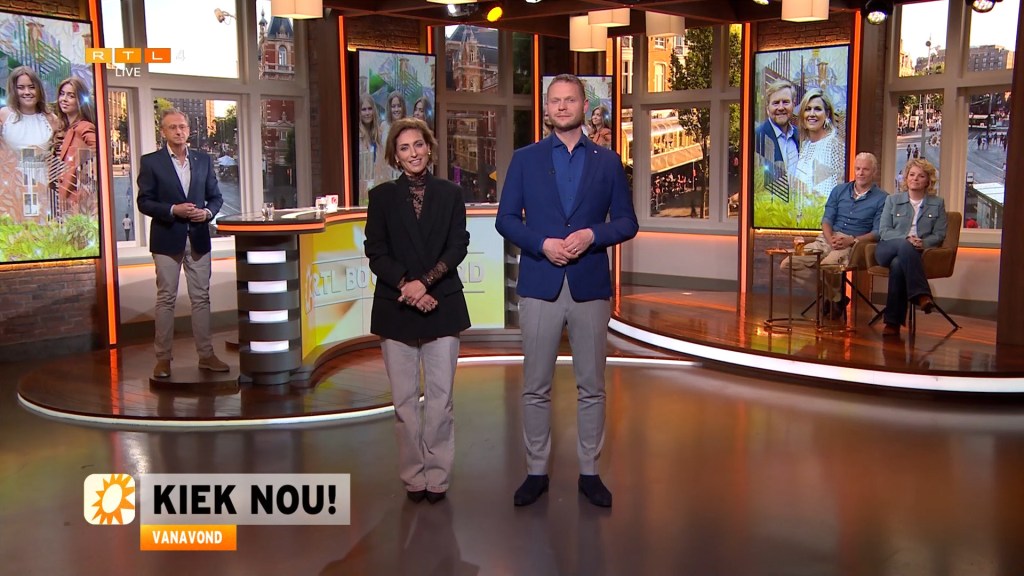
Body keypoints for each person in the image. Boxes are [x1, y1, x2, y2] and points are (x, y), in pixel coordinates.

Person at [496, 74, 638, 508]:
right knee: (535, 385)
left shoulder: (608, 161)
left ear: (583, 105)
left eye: (569, 99)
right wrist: (542, 244)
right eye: (555, 100)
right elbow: (506, 219)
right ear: (546, 108)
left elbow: (627, 222)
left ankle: (590, 472)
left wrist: (593, 235)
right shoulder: (525, 159)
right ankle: (536, 471)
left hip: (589, 285)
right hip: (540, 282)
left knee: (592, 385)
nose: (561, 106)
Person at [364, 117, 471, 504]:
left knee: (441, 401)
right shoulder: (381, 197)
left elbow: (457, 246)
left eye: (419, 145)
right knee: (405, 404)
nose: (413, 153)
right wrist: (408, 286)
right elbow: (376, 251)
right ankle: (414, 476)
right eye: (405, 148)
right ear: (395, 156)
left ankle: (438, 477)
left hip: (442, 303)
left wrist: (424, 283)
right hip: (397, 307)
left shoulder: (450, 193)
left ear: (430, 147)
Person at [137, 108, 228, 378]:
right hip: (167, 238)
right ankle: (163, 359)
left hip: (198, 237)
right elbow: (144, 202)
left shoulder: (203, 160)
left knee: (201, 298)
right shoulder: (151, 162)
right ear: (163, 132)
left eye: (183, 127)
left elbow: (216, 197)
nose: (179, 131)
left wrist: (207, 213)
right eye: (173, 127)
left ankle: (206, 355)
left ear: (189, 130)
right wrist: (172, 210)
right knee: (166, 298)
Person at [781, 152, 888, 319]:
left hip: (855, 244)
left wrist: (851, 240)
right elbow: (827, 219)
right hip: (827, 238)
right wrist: (830, 238)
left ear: (874, 172)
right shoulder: (839, 190)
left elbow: (878, 232)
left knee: (828, 265)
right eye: (858, 168)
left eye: (865, 169)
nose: (860, 173)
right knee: (788, 264)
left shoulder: (883, 198)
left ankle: (833, 299)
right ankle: (835, 297)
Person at [875, 158, 947, 337]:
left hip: (914, 253)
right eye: (911, 175)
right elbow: (884, 231)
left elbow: (939, 234)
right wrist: (906, 239)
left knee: (898, 264)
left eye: (921, 176)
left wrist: (924, 243)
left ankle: (892, 323)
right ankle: (922, 295)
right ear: (906, 178)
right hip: (887, 248)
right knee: (903, 245)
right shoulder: (892, 200)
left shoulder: (937, 203)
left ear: (928, 181)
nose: (915, 179)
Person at [792, 88, 844, 222]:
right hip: (802, 220)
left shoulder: (834, 144)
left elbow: (839, 188)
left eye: (817, 109)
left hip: (825, 221)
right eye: (807, 109)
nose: (812, 114)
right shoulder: (805, 145)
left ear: (827, 114)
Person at [52, 77, 97, 214]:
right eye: (62, 94)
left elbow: (99, 157)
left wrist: (82, 190)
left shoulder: (85, 127)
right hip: (58, 199)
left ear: (80, 100)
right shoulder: (63, 128)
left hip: (75, 203)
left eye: (71, 96)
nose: (64, 99)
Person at [754, 79, 799, 200]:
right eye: (775, 103)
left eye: (785, 102)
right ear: (767, 107)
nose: (781, 107)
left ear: (793, 105)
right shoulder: (756, 137)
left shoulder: (800, 136)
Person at [0, 66, 59, 151]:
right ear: (13, 90)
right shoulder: (3, 115)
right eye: (21, 87)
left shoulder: (51, 119)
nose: (27, 92)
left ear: (39, 89)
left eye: (32, 87)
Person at [357, 93, 386, 202]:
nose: (367, 113)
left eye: (370, 109)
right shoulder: (358, 136)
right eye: (363, 109)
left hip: (377, 186)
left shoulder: (378, 134)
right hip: (362, 190)